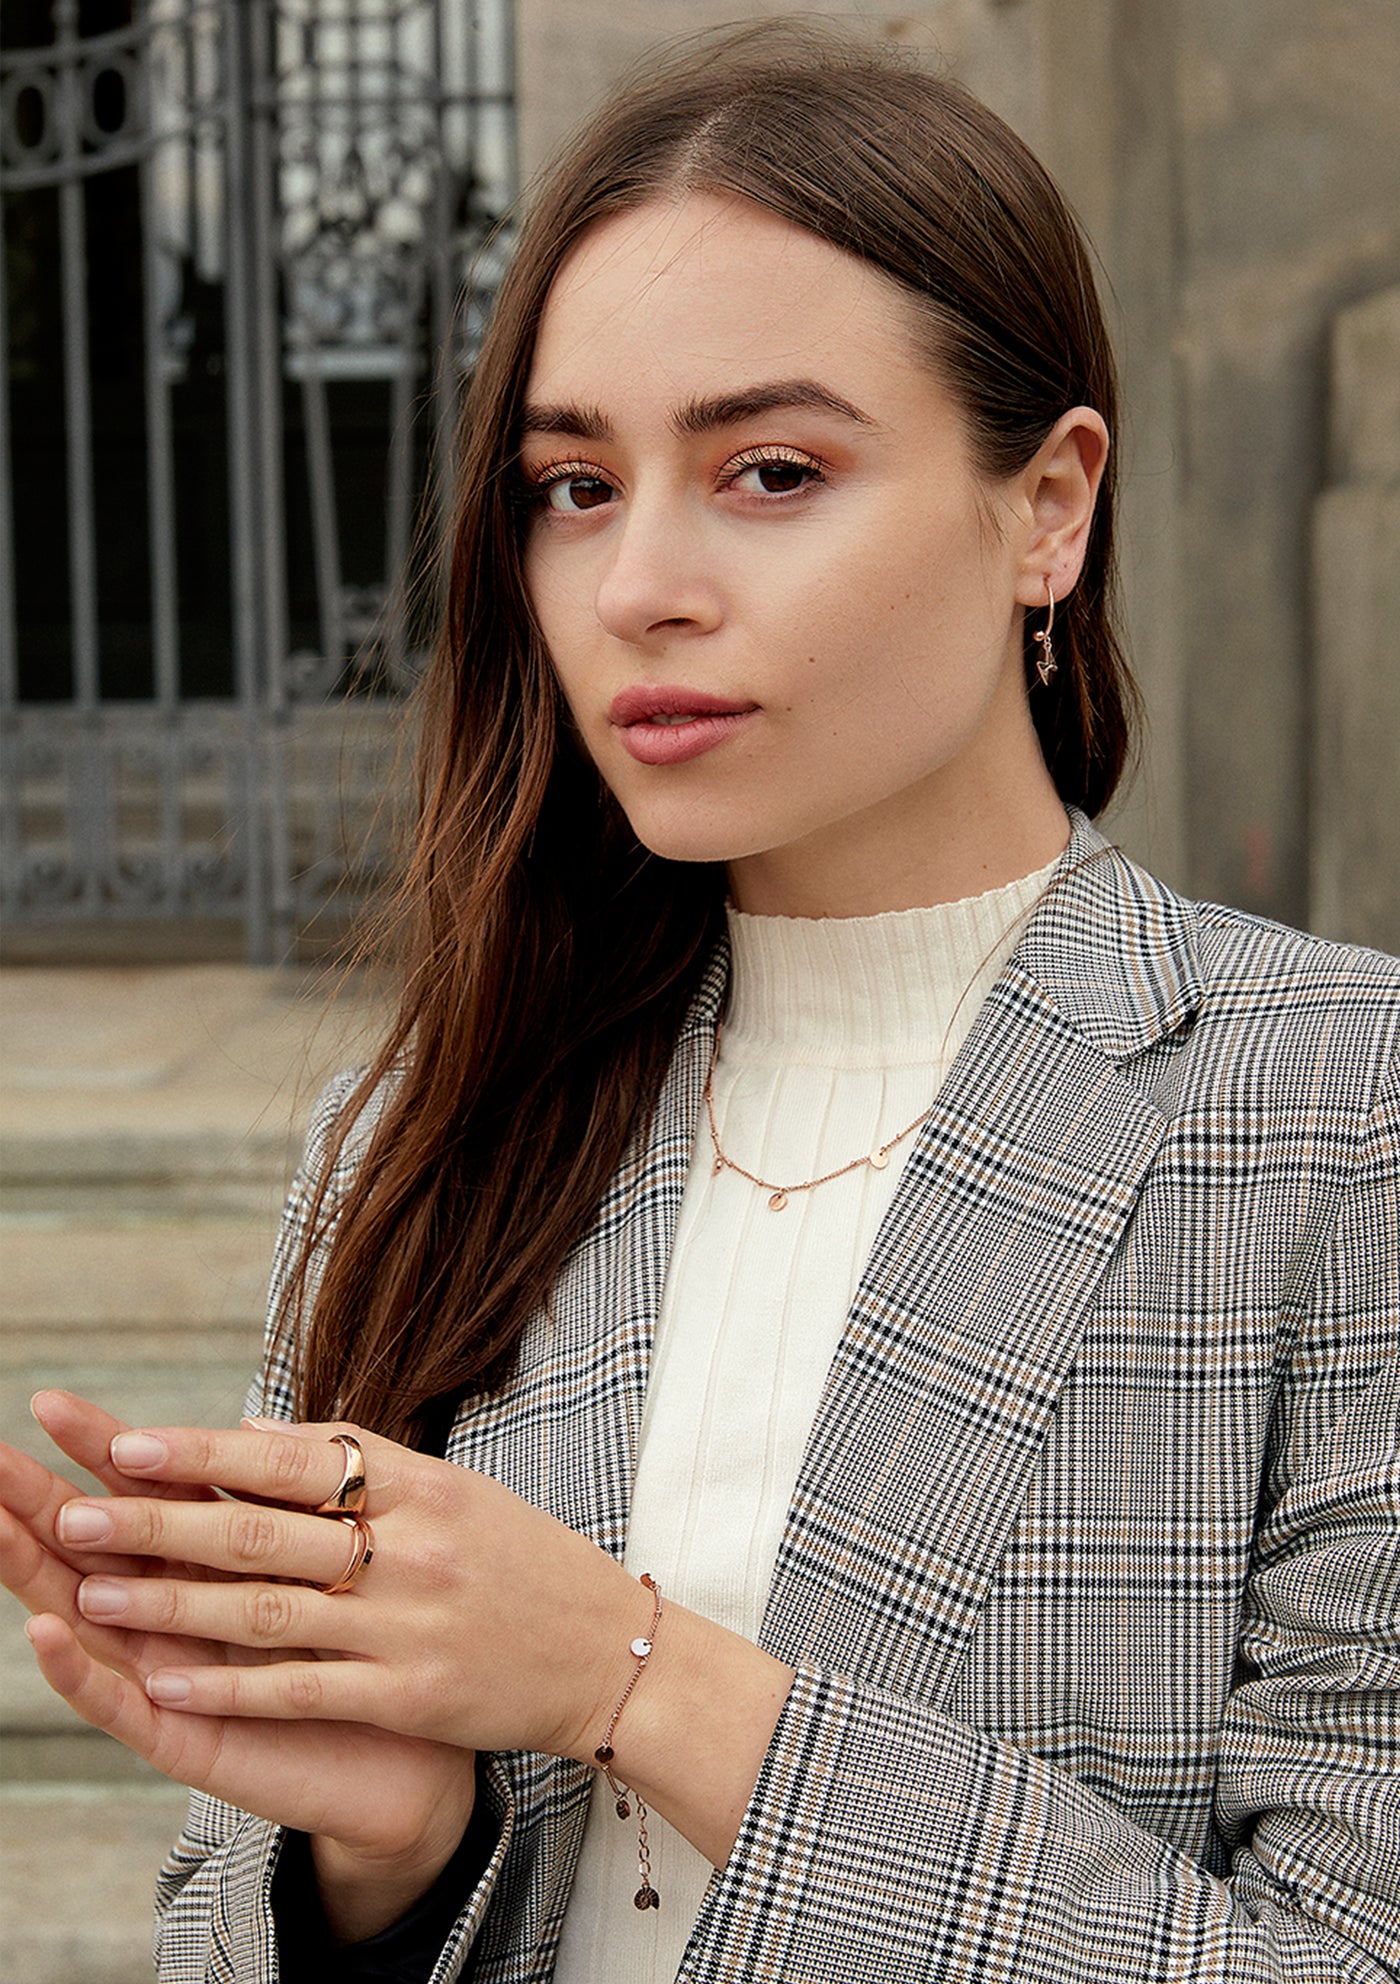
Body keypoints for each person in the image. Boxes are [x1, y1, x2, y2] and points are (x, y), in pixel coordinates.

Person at [2, 23, 1398, 1984]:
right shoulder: (425, 1131)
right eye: (572, 485)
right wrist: (386, 1853)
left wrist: (624, 1674)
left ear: (1047, 506)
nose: (637, 581)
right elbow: (215, 1931)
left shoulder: (1335, 1107)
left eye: (768, 469)